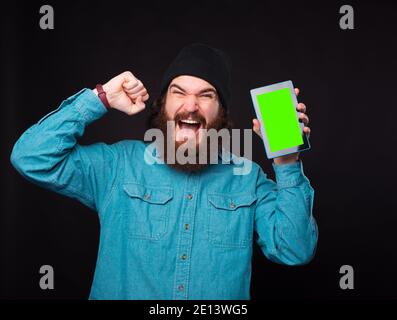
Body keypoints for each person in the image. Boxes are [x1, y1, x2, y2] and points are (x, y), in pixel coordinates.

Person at [10, 43, 318, 300]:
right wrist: (99, 98)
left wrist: (286, 161)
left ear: (221, 113)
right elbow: (31, 156)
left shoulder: (247, 178)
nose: (191, 106)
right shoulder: (118, 165)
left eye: (206, 95)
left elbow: (294, 249)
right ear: (163, 105)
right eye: (178, 92)